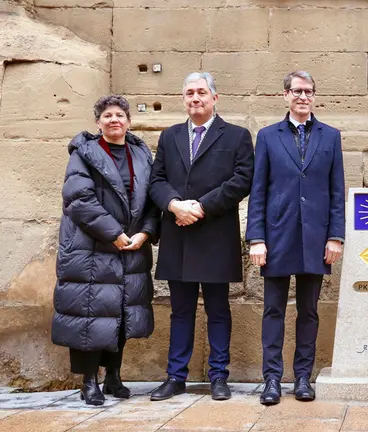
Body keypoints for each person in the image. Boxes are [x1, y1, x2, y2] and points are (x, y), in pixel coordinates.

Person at [149, 72, 254, 401]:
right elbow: (156, 180)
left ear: (215, 98)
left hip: (214, 235)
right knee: (180, 310)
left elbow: (242, 180)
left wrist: (201, 207)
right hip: (177, 235)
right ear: (183, 99)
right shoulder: (170, 136)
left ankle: (219, 376)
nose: (195, 98)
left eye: (201, 92)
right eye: (189, 93)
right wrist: (174, 204)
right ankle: (175, 375)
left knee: (218, 309)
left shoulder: (236, 136)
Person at [52, 95, 159, 406]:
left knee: (121, 313)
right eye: (108, 115)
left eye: (120, 115)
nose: (114, 120)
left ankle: (113, 375)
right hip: (91, 247)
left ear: (128, 121)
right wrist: (113, 233)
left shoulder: (140, 154)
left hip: (130, 247)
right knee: (90, 314)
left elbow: (153, 199)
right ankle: (89, 382)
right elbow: (79, 199)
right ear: (98, 122)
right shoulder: (83, 153)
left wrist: (146, 232)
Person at [246, 71, 345, 406]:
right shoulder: (268, 137)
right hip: (277, 236)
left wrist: (335, 236)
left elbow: (336, 190)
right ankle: (271, 379)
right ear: (284, 95)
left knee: (309, 311)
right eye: (296, 91)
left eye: (308, 91)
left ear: (314, 96)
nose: (303, 96)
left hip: (316, 238)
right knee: (273, 310)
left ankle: (303, 377)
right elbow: (258, 190)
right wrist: (256, 237)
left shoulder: (330, 136)